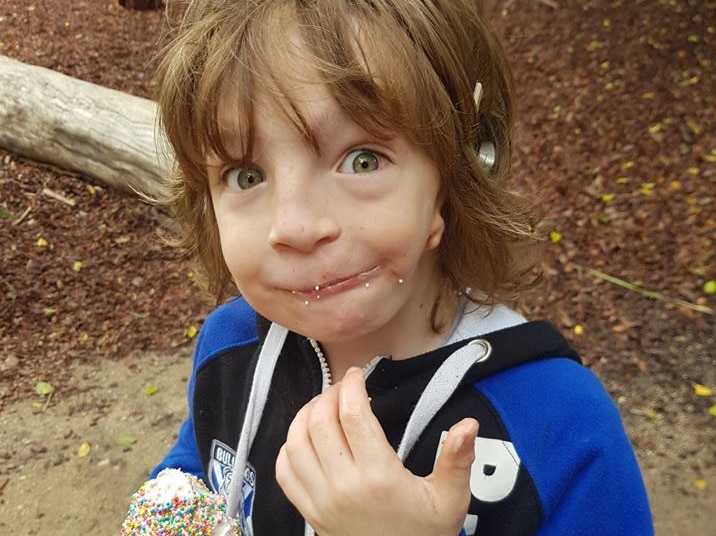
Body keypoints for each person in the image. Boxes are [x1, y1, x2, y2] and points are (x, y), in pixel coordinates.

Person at [146, 1, 653, 534]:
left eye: (362, 160)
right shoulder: (228, 348)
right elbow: (195, 471)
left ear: (452, 183)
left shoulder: (562, 425)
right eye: (246, 175)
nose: (293, 227)